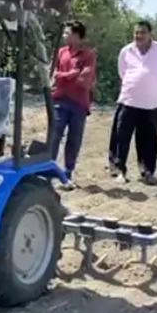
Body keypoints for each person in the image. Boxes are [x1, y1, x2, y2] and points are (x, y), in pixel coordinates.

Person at [107, 20, 157, 185]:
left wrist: (149, 83)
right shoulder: (126, 51)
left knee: (148, 139)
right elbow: (122, 72)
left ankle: (147, 172)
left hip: (151, 103)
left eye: (142, 32)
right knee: (121, 137)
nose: (139, 36)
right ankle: (119, 171)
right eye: (136, 33)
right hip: (128, 100)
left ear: (150, 34)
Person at [51, 20, 97, 189]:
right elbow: (53, 73)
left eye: (67, 33)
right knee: (54, 137)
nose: (64, 36)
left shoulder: (88, 55)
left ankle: (67, 174)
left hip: (78, 103)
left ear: (78, 36)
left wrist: (64, 76)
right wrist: (69, 74)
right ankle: (49, 172)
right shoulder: (60, 52)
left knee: (74, 140)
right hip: (59, 99)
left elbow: (84, 80)